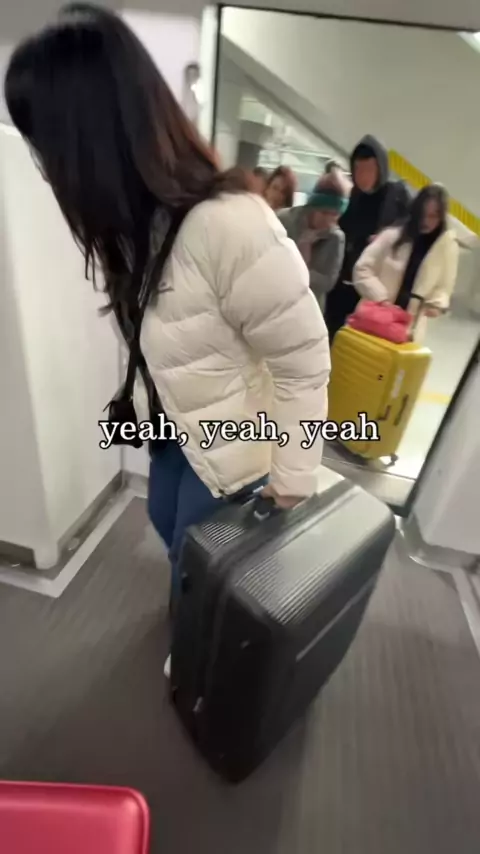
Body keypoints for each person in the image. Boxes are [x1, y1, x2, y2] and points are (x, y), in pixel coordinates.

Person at [5, 3, 331, 676]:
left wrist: (291, 486)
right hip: (175, 432)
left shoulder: (231, 224)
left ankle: (202, 660)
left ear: (91, 137)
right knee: (165, 525)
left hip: (234, 448)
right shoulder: (140, 225)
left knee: (199, 558)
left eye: (47, 144)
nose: (45, 167)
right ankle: (195, 616)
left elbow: (304, 363)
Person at [324, 134, 411, 342]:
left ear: (381, 169)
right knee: (330, 337)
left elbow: (410, 233)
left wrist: (387, 237)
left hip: (371, 291)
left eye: (369, 169)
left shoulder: (397, 195)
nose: (362, 176)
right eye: (358, 169)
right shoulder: (354, 196)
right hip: (342, 284)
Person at [353, 184, 459, 341]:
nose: (426, 221)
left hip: (408, 330)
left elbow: (445, 287)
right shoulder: (392, 236)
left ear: (441, 217)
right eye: (423, 214)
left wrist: (436, 304)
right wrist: (381, 298)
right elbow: (362, 269)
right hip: (373, 319)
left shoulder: (446, 249)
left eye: (433, 216)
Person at [278, 172, 348, 311]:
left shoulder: (335, 237)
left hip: (309, 307)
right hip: (277, 298)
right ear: (312, 207)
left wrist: (302, 268)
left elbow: (328, 282)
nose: (329, 221)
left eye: (335, 214)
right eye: (324, 213)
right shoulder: (284, 220)